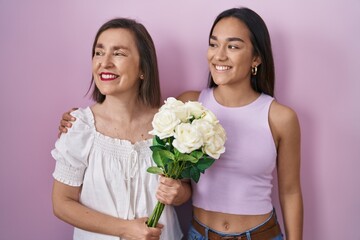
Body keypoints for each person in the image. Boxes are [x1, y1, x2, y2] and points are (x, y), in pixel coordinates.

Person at [59, 7, 303, 240]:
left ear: (256, 58)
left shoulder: (281, 117)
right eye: (213, 44)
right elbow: (180, 179)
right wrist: (78, 122)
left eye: (233, 46)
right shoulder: (189, 106)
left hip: (261, 233)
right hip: (200, 233)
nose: (219, 55)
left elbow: (290, 192)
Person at [51, 18, 182, 240]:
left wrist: (179, 194)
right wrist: (124, 229)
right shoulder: (79, 127)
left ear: (143, 68)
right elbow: (62, 204)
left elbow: (182, 188)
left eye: (118, 53)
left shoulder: (168, 125)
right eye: (99, 52)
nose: (105, 62)